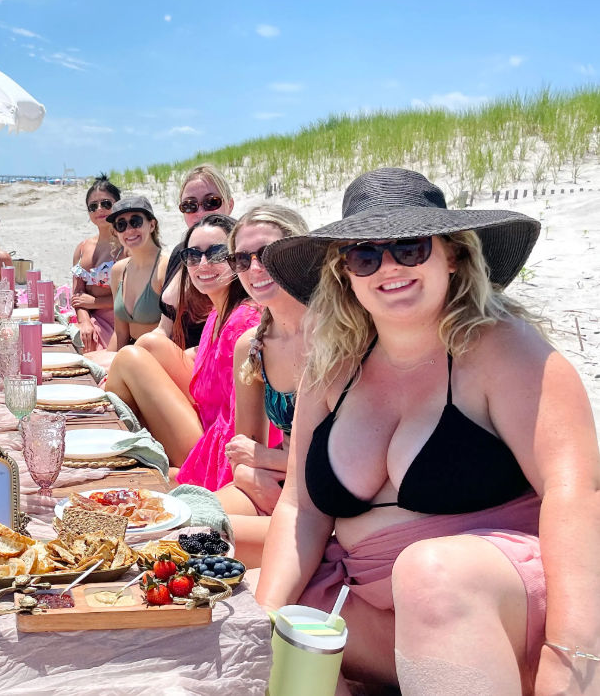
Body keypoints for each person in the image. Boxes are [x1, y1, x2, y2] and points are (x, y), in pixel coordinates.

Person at [257, 168, 599, 694]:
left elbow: (574, 493)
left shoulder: (501, 350)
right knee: (260, 605)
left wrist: (572, 656)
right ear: (344, 272)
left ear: (453, 254)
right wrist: (262, 623)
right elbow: (301, 509)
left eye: (410, 247)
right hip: (367, 603)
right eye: (364, 255)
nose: (387, 267)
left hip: (489, 601)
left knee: (429, 571)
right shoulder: (329, 369)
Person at [105, 214, 259, 482]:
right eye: (192, 255)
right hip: (207, 420)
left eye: (216, 253)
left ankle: (117, 449)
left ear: (237, 257)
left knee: (129, 358)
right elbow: (209, 358)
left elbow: (241, 425)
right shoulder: (218, 313)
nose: (202, 263)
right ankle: (129, 443)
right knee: (149, 344)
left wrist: (192, 474)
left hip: (216, 445)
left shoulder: (244, 322)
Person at [212, 205, 308, 568]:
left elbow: (339, 463)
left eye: (267, 254)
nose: (255, 269)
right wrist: (253, 474)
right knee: (182, 516)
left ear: (300, 252)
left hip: (323, 503)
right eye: (241, 259)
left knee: (199, 539)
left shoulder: (334, 337)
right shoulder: (252, 346)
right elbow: (240, 453)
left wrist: (265, 459)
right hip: (273, 486)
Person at [156, 165, 235, 348]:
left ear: (229, 205)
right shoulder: (180, 253)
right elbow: (163, 328)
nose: (200, 213)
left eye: (211, 202)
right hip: (178, 355)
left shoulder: (241, 253)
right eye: (190, 205)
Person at [103, 196, 169, 350]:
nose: (129, 230)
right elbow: (120, 332)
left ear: (152, 225)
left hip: (160, 355)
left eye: (136, 221)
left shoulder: (165, 267)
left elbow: (175, 333)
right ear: (115, 232)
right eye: (121, 225)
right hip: (129, 353)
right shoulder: (118, 271)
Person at [71, 175, 124, 353]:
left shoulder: (127, 248)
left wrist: (94, 302)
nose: (99, 209)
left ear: (118, 204)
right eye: (93, 206)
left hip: (119, 324)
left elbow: (130, 300)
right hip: (88, 319)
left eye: (106, 203)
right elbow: (77, 294)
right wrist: (84, 321)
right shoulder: (82, 248)